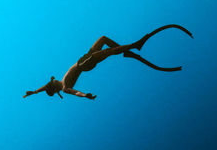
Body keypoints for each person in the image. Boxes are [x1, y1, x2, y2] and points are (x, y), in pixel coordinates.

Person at [23, 24, 192, 100]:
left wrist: (34, 92)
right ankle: (135, 45)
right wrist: (85, 95)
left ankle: (128, 53)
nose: (52, 80)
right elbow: (71, 92)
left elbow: (47, 85)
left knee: (103, 39)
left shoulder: (59, 82)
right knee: (109, 51)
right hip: (85, 63)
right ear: (54, 86)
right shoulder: (64, 85)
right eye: (52, 83)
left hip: (85, 57)